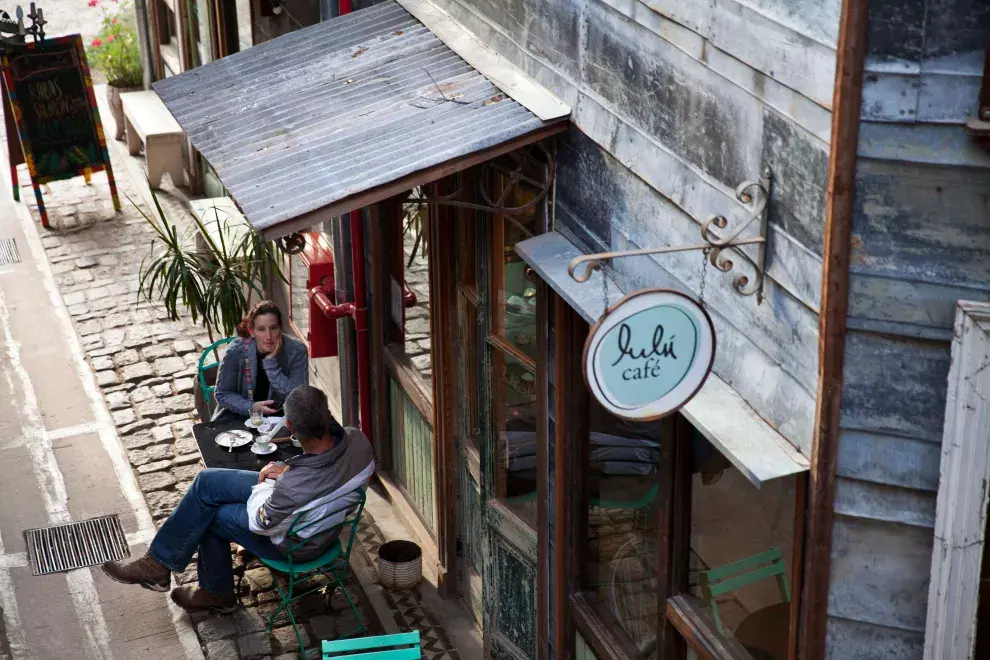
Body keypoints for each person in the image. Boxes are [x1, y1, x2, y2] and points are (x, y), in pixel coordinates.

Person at [102, 385, 376, 613]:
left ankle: (216, 594)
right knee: (206, 481)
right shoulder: (358, 441)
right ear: (327, 414)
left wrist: (271, 481)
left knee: (210, 515)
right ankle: (158, 564)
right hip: (311, 507)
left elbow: (260, 523)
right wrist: (288, 472)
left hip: (297, 543)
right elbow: (318, 478)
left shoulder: (290, 486)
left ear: (290, 426)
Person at [214, 300, 308, 419]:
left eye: (273, 328)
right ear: (252, 331)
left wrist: (271, 364)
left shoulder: (296, 351)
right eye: (261, 329)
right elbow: (223, 394)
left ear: (281, 328)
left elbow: (299, 398)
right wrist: (252, 407)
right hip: (240, 415)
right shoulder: (236, 351)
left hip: (281, 418)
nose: (268, 337)